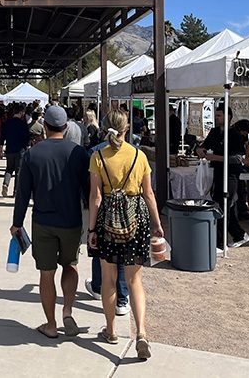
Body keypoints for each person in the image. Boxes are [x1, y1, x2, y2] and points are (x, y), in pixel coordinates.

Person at [87, 109, 163, 359]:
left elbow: (96, 197)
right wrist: (157, 223)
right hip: (136, 221)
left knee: (108, 279)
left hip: (108, 221)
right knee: (135, 281)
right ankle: (141, 332)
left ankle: (110, 331)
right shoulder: (139, 156)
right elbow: (148, 194)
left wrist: (91, 228)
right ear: (126, 129)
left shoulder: (98, 156)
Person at [11, 105, 89, 340]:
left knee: (46, 273)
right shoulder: (78, 153)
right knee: (71, 265)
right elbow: (88, 191)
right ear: (66, 127)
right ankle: (67, 310)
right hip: (71, 220)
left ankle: (51, 324)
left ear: (44, 127)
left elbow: (22, 193)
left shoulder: (33, 154)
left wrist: (17, 223)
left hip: (43, 221)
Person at [196, 105, 249, 250]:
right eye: (216, 115)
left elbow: (237, 158)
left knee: (224, 205)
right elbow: (204, 145)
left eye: (219, 115)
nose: (217, 118)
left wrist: (216, 157)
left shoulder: (235, 135)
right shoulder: (214, 132)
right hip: (217, 173)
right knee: (221, 205)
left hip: (231, 175)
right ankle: (239, 234)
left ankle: (220, 241)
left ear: (228, 116)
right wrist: (200, 149)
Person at [0, 104, 30, 197]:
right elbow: (27, 139)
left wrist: (1, 150)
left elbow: (2, 138)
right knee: (18, 171)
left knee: (9, 169)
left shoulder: (7, 123)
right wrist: (28, 150)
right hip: (20, 150)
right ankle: (16, 192)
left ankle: (6, 183)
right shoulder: (23, 124)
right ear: (21, 112)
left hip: (9, 149)